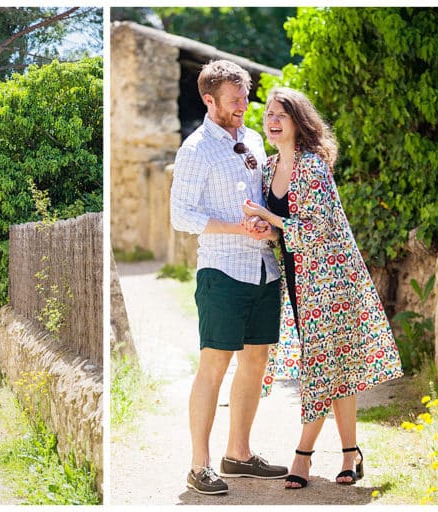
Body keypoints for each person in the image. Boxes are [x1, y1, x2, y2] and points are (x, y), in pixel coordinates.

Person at [240, 87, 404, 490]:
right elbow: (283, 230)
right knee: (335, 367)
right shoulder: (268, 168)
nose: (273, 121)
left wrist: (269, 217)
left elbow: (318, 230)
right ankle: (351, 454)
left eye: (282, 115)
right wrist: (263, 225)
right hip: (297, 278)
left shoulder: (313, 167)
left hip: (332, 280)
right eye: (269, 116)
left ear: (298, 121)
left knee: (321, 365)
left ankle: (303, 455)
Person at [170, 59, 288, 495]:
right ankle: (199, 466)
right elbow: (181, 216)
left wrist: (263, 223)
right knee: (213, 368)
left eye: (246, 97)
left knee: (255, 363)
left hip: (263, 269)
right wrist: (235, 227)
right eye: (235, 99)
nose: (244, 104)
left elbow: (258, 198)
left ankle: (238, 455)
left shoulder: (255, 138)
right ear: (209, 99)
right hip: (221, 271)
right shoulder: (196, 149)